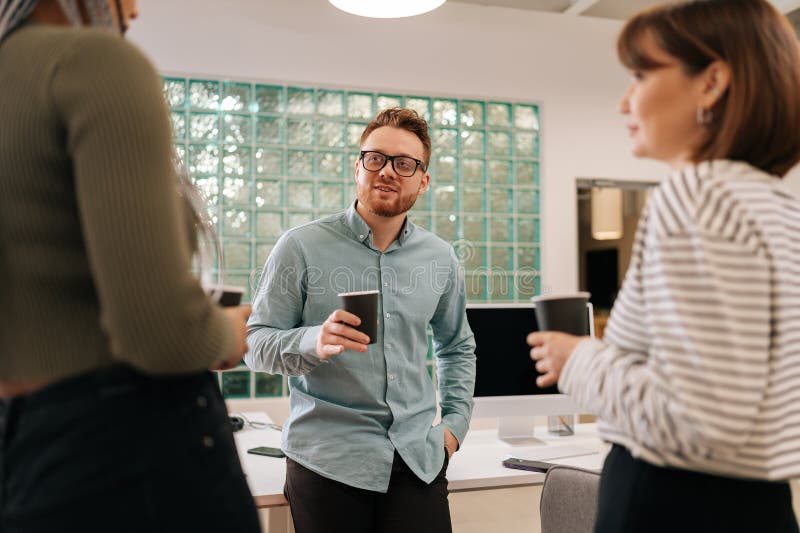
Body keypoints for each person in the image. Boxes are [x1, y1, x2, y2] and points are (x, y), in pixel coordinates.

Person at [527, 1, 800, 532]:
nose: (624, 102)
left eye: (640, 74)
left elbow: (698, 420)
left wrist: (578, 358)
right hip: (760, 503)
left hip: (673, 500)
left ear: (711, 82)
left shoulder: (696, 194)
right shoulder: (780, 205)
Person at [0, 1, 260, 531]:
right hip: (134, 453)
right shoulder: (95, 64)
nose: (134, 12)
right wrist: (227, 332)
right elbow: (162, 332)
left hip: (25, 448)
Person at [245, 107, 476, 533]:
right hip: (328, 463)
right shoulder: (300, 247)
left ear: (422, 181)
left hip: (418, 460)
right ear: (358, 167)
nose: (388, 171)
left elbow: (457, 345)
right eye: (376, 158)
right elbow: (256, 345)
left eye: (404, 164)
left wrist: (455, 426)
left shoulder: (440, 258)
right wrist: (314, 340)